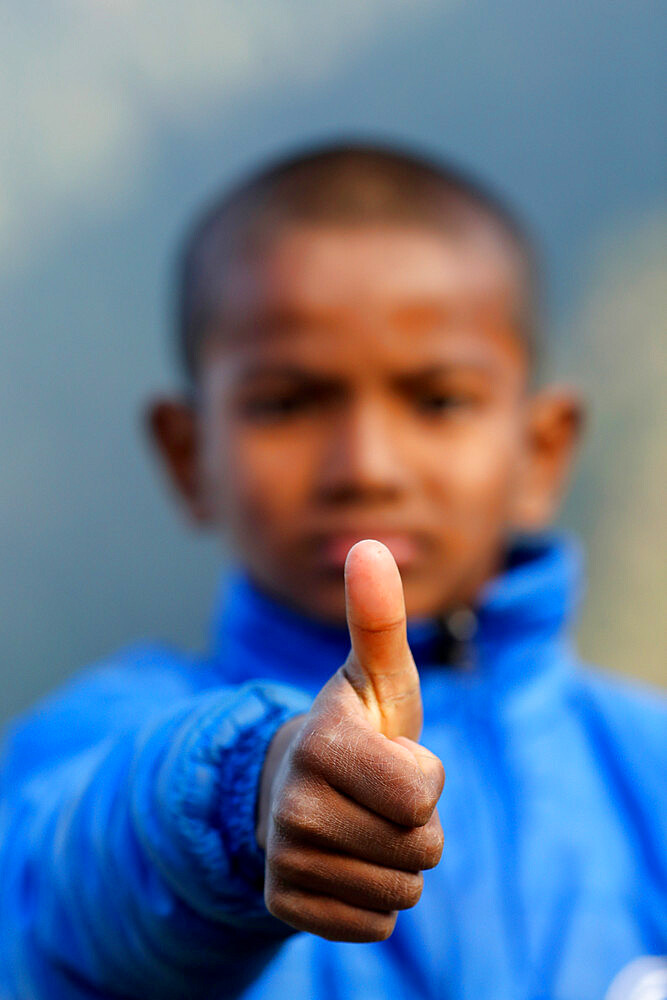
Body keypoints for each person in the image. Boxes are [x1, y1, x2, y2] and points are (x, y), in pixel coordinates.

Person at [0, 142, 665, 1000]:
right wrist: (252, 793)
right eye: (286, 403)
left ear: (540, 452)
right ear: (186, 453)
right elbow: (62, 894)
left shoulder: (645, 767)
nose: (366, 466)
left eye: (438, 400)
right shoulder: (95, 740)